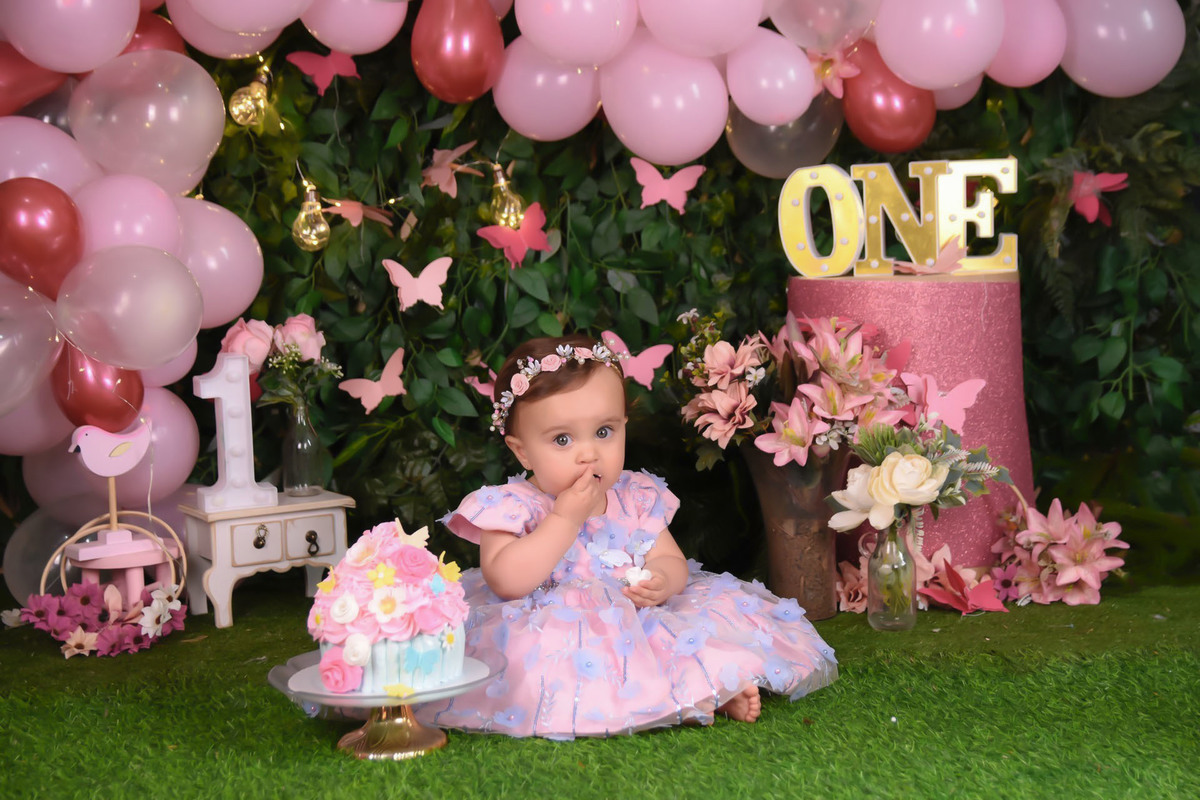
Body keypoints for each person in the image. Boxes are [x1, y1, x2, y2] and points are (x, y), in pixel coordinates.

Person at [415, 334, 837, 738]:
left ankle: (711, 687)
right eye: (562, 439)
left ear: (623, 426)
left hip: (637, 615)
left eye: (604, 432)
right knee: (565, 660)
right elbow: (507, 581)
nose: (589, 453)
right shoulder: (510, 505)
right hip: (553, 630)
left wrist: (663, 581)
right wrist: (564, 518)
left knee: (671, 634)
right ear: (522, 450)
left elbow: (669, 559)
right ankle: (685, 700)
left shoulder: (632, 495)